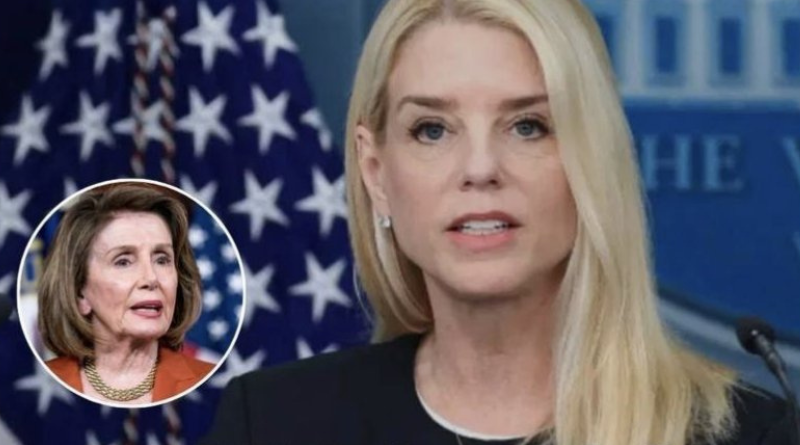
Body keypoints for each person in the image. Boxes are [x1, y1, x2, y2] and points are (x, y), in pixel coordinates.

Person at [202, 0, 793, 444]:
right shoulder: (274, 423)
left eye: (528, 126)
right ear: (377, 173)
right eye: (432, 130)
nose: (480, 168)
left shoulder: (747, 435)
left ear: (592, 160)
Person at [38, 182, 214, 405]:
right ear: (80, 293)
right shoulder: (34, 390)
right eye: (123, 262)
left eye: (162, 259)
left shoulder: (214, 385)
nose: (151, 278)